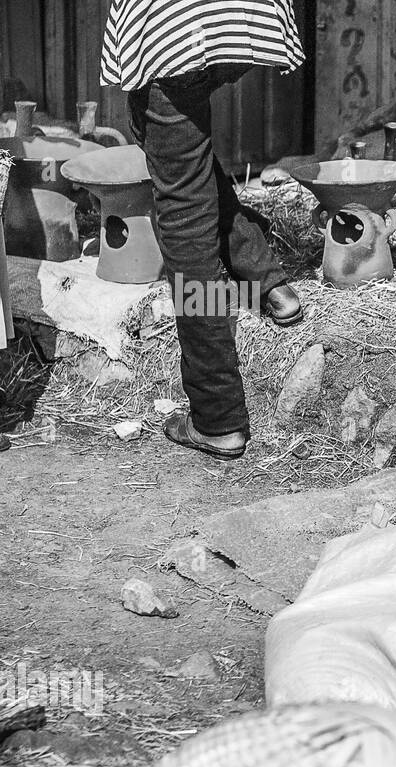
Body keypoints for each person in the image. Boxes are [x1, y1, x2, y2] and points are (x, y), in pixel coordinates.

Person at [100, 0, 305, 459]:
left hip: (176, 27)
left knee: (186, 231)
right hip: (240, 18)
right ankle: (268, 283)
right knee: (183, 163)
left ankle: (218, 417)